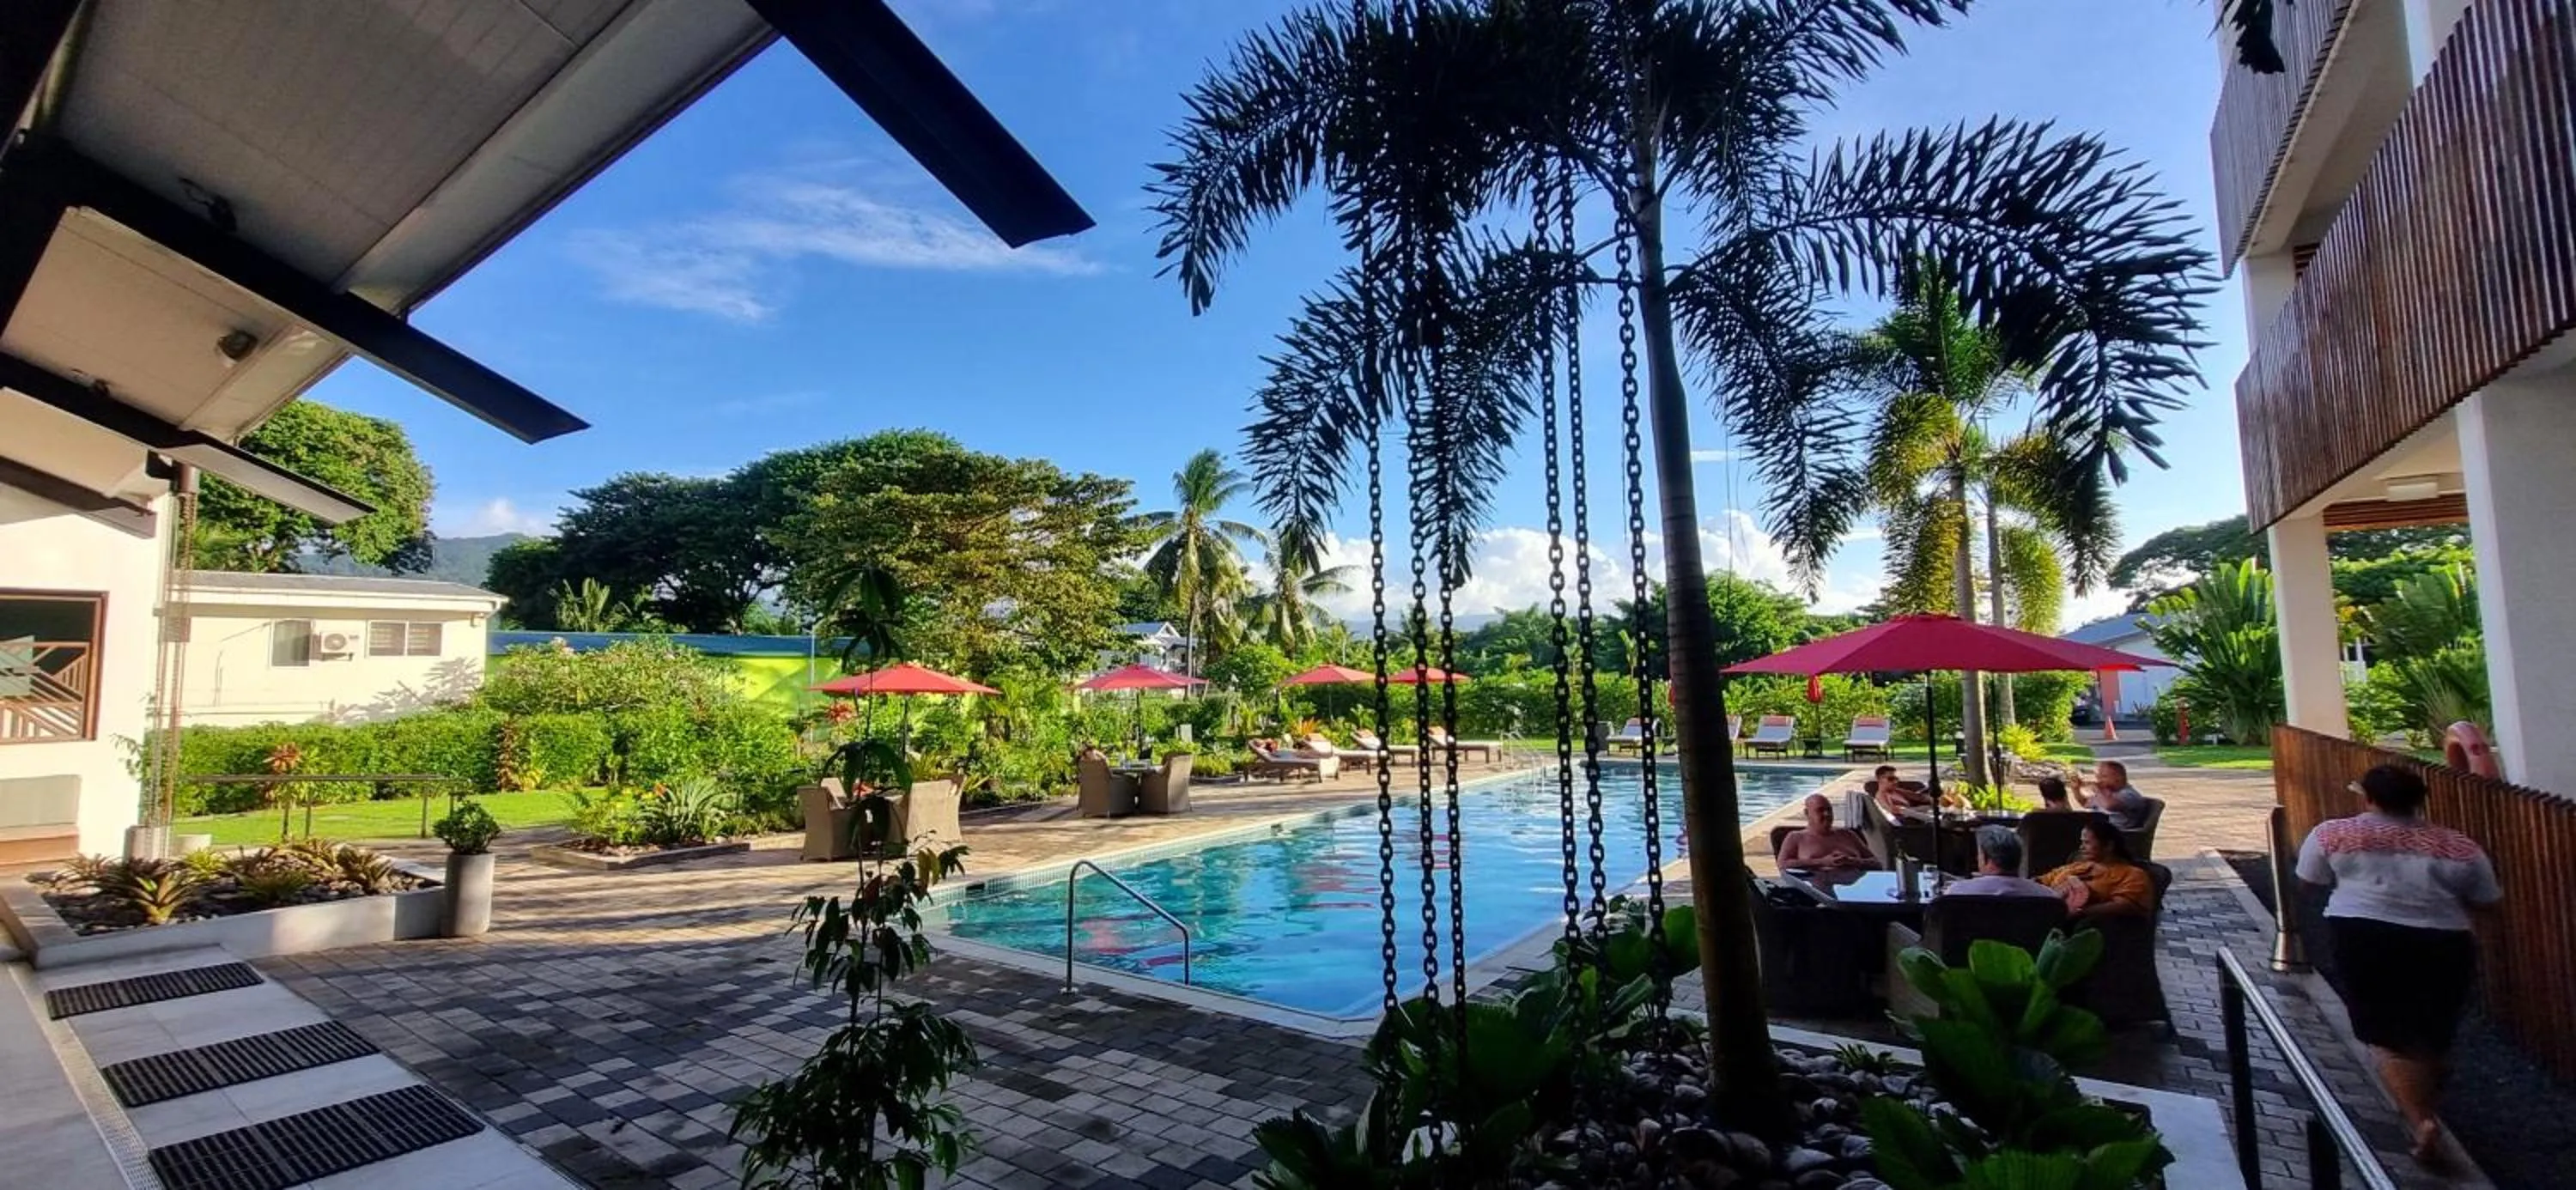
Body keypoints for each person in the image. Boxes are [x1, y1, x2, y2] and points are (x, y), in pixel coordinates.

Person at [2295, 764, 2500, 1164]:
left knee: (2384, 1033)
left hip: (2364, 935)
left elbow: (2308, 881)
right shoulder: (2458, 846)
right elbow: (2488, 898)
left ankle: (2421, 1119)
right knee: (2430, 1028)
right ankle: (2425, 1104)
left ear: (2368, 798)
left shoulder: (2334, 834)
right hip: (2444, 940)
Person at [2038, 817, 2158, 917]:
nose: (2081, 847)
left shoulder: (2132, 875)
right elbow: (2042, 880)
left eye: (2087, 843)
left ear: (2109, 846)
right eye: (2082, 842)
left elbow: (2125, 905)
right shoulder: (2079, 866)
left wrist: (2079, 913)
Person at [1943, 826, 2058, 897]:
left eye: (1979, 854)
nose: (1977, 858)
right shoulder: (2046, 896)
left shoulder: (1958, 892)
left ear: (1987, 859)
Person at [1776, 793, 1878, 871]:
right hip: (1816, 893)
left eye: (1829, 810)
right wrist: (1822, 862)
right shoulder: (1796, 837)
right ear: (1807, 813)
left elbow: (1876, 863)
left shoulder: (1848, 834)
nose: (1827, 814)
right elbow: (1783, 864)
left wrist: (1852, 861)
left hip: (1855, 889)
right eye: (1820, 810)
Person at [2080, 759, 2151, 830]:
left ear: (2119, 778)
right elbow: (2085, 803)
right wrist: (2076, 788)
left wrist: (2099, 790)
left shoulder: (2129, 794)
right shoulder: (2107, 792)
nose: (2099, 780)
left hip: (2116, 834)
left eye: (2104, 776)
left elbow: (2109, 806)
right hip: (2097, 830)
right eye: (2098, 777)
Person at [1870, 763, 1934, 818]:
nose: (1896, 782)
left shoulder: (1896, 791)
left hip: (1920, 814)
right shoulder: (1881, 795)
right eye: (1891, 779)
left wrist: (1934, 800)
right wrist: (1924, 809)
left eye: (1896, 779)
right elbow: (1894, 811)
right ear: (1879, 779)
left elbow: (1919, 797)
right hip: (1909, 823)